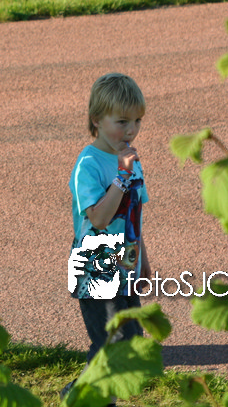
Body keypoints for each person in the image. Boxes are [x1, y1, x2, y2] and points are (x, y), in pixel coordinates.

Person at [62, 73, 152, 403]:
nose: (131, 130)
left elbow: (133, 217)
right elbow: (99, 218)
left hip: (125, 264)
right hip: (97, 265)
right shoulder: (89, 164)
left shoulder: (130, 161)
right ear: (97, 120)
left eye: (137, 121)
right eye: (122, 121)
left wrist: (143, 261)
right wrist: (122, 176)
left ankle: (78, 393)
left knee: (130, 338)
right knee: (113, 342)